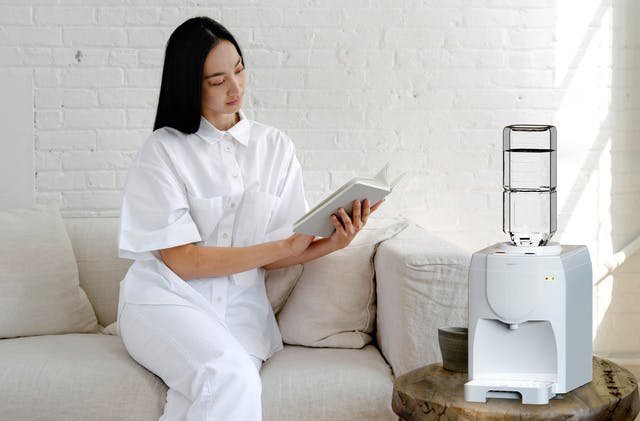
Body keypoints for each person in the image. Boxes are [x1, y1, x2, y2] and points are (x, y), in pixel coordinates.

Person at [116, 17, 382, 421]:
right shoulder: (163, 150)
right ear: (189, 84)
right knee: (231, 377)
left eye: (239, 70)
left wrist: (332, 243)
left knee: (204, 397)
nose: (235, 88)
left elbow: (278, 253)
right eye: (217, 80)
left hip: (241, 314)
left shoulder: (275, 147)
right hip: (165, 301)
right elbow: (183, 261)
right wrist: (283, 245)